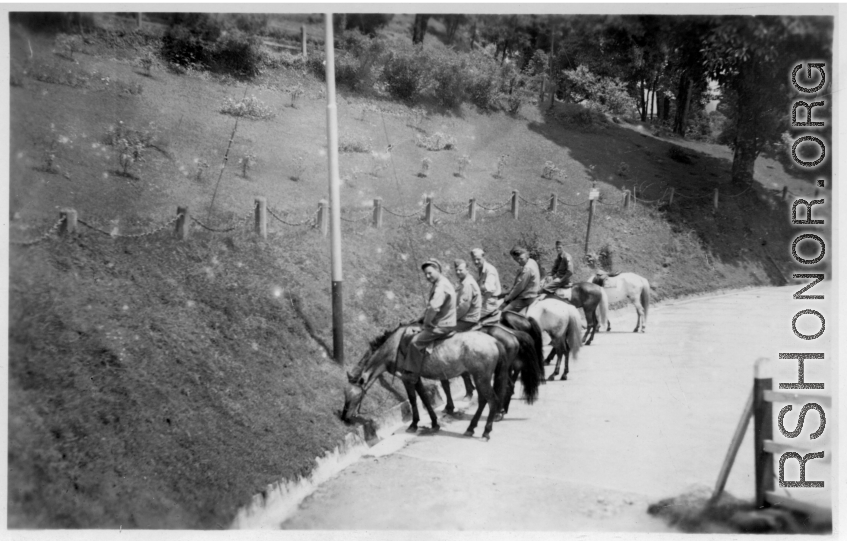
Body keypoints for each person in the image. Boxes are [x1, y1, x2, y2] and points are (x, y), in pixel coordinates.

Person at [404, 259, 457, 375]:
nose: (427, 276)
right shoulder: (440, 282)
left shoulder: (440, 287)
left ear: (437, 270)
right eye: (425, 274)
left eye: (430, 273)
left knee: (414, 343)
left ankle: (411, 374)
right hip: (446, 320)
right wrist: (421, 317)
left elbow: (433, 307)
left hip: (442, 324)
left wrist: (426, 323)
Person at [502, 246, 540, 315]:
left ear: (526, 255)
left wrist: (509, 297)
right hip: (533, 293)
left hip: (526, 298)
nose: (519, 261)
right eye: (516, 260)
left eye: (521, 259)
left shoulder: (527, 269)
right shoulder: (532, 261)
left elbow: (520, 287)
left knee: (504, 312)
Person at [470, 248, 502, 325]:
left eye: (478, 259)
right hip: (483, 299)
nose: (476, 262)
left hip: (489, 302)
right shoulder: (480, 268)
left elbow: (489, 290)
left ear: (483, 257)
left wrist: (482, 303)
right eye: (474, 259)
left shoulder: (490, 270)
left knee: (469, 318)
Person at [453, 259, 482, 332]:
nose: (458, 272)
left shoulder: (467, 285)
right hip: (465, 316)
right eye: (456, 270)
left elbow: (463, 307)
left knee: (439, 328)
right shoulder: (463, 281)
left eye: (460, 270)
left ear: (467, 269)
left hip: (467, 319)